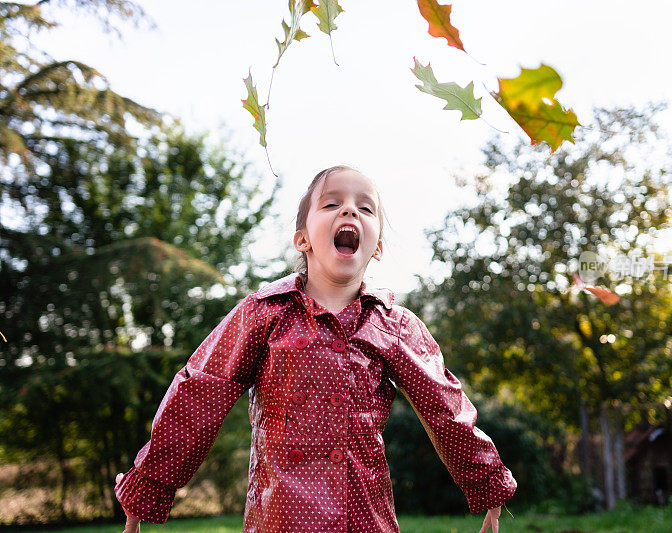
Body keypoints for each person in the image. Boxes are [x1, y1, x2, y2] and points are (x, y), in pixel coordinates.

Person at [114, 165, 517, 532]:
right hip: (279, 519)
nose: (350, 212)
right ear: (303, 239)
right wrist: (149, 485)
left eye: (365, 208)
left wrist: (488, 483)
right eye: (332, 203)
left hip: (366, 520)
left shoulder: (394, 325)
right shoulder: (263, 313)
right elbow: (199, 393)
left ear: (375, 247)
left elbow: (445, 407)